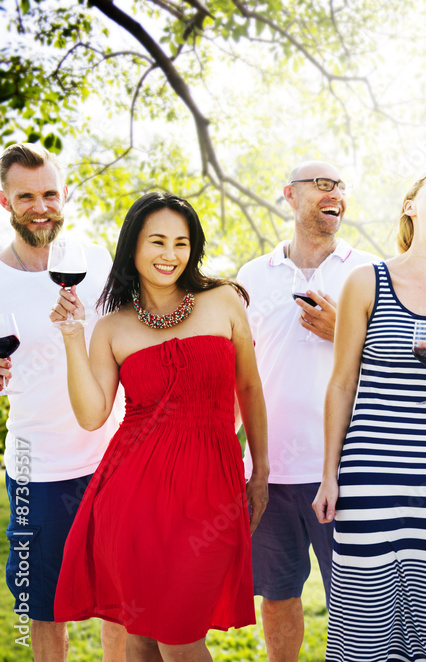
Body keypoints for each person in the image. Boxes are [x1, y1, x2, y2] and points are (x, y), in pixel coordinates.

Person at [49, 192, 269, 660]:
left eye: (181, 243)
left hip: (209, 493)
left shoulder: (224, 301)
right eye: (157, 242)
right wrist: (72, 337)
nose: (170, 255)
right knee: (140, 636)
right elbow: (92, 415)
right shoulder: (112, 328)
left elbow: (250, 389)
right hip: (131, 499)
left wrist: (261, 473)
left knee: (181, 640)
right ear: (133, 247)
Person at [312, 167, 426, 661]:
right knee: (360, 625)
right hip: (368, 475)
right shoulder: (366, 281)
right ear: (412, 206)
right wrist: (329, 476)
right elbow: (341, 382)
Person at [236, 161, 378, 661]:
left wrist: (344, 331)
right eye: (321, 184)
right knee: (277, 596)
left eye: (340, 185)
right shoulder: (252, 276)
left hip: (346, 468)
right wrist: (241, 462)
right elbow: (240, 373)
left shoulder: (369, 271)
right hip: (269, 473)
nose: (334, 192)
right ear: (289, 196)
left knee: (361, 600)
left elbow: (396, 363)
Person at [0, 143, 126, 661]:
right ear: (5, 201)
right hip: (37, 463)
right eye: (26, 195)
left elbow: (139, 334)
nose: (41, 205)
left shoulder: (96, 261)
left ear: (65, 194)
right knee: (43, 607)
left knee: (120, 601)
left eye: (50, 193)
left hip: (113, 456)